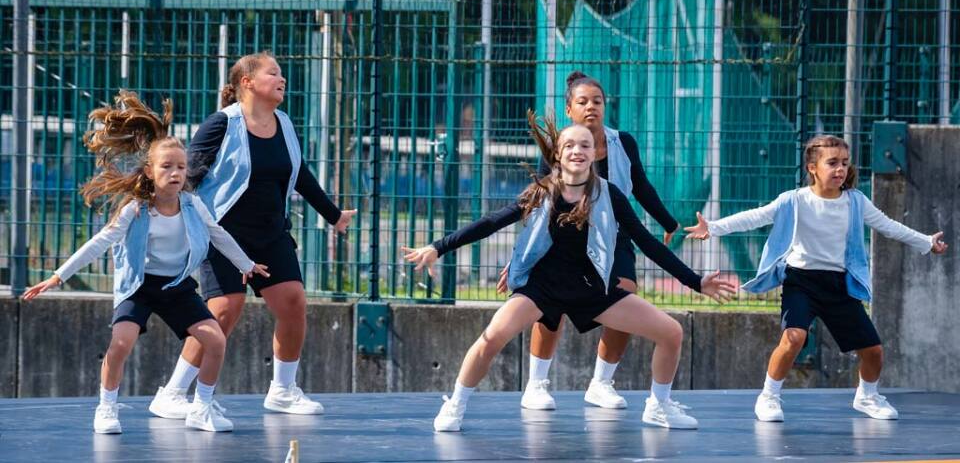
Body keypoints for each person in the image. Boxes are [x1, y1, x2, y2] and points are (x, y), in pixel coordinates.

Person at [402, 112, 738, 432]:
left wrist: (696, 281)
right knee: (491, 338)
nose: (578, 150)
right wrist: (438, 247)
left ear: (594, 154)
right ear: (558, 155)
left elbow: (647, 243)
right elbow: (491, 222)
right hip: (541, 289)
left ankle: (659, 406)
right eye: (569, 145)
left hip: (592, 289)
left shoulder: (609, 194)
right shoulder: (541, 192)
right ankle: (456, 404)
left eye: (585, 145)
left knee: (671, 332)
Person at [23, 92, 268, 434]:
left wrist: (246, 264)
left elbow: (218, 234)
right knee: (121, 343)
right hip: (139, 286)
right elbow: (100, 242)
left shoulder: (193, 205)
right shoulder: (136, 209)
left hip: (176, 287)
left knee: (215, 340)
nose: (175, 173)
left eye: (180, 167)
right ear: (150, 172)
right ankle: (107, 408)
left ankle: (201, 408)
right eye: (167, 167)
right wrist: (57, 277)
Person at [149, 52, 356, 418]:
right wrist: (167, 213)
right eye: (272, 73)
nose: (282, 79)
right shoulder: (221, 124)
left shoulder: (284, 124)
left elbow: (299, 172)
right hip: (223, 233)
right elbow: (188, 174)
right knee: (224, 310)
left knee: (293, 302)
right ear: (247, 82)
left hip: (271, 233)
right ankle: (173, 392)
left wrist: (333, 215)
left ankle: (283, 391)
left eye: (281, 73)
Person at [684, 134, 948, 422]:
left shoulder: (856, 202)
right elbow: (755, 216)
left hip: (839, 285)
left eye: (844, 163)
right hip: (801, 282)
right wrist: (713, 227)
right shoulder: (794, 201)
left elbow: (888, 226)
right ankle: (769, 397)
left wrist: (926, 242)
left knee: (873, 351)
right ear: (812, 168)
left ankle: (868, 397)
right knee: (794, 337)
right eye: (832, 163)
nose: (840, 169)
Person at [515, 70, 682, 411]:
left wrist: (669, 222)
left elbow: (641, 185)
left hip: (613, 235)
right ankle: (536, 384)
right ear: (569, 110)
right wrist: (523, 256)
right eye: (583, 102)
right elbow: (538, 200)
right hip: (563, 236)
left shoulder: (623, 143)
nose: (591, 106)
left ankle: (601, 383)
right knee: (551, 303)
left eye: (597, 101)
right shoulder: (558, 146)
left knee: (627, 294)